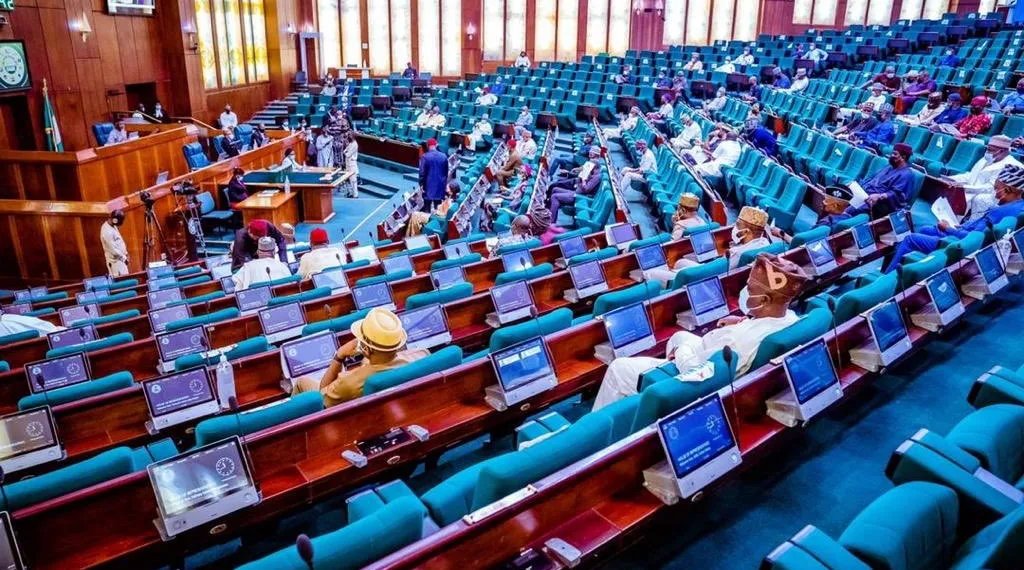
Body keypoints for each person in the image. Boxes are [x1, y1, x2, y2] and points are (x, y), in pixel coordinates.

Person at [591, 253, 807, 410]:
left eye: (749, 289)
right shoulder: (790, 317)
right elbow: (760, 328)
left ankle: (599, 440)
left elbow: (697, 372)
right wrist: (745, 319)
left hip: (700, 378)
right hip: (717, 352)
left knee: (619, 368)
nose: (745, 291)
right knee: (678, 335)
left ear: (764, 300)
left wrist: (682, 352)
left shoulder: (735, 340)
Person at [885, 166, 1024, 272]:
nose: (995, 193)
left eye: (996, 189)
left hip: (961, 244)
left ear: (1007, 191)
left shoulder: (1000, 212)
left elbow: (972, 238)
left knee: (911, 239)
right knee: (925, 229)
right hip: (966, 235)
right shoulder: (1019, 206)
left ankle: (888, 278)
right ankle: (909, 263)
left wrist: (949, 229)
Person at [293, 307, 429, 406]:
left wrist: (339, 356)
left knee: (301, 382)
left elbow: (321, 398)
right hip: (397, 408)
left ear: (367, 349)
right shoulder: (422, 355)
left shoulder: (347, 383)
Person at [818, 144, 916, 226]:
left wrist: (879, 196)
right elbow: (870, 179)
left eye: (895, 154)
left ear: (903, 157)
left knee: (845, 210)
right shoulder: (889, 167)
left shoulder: (906, 174)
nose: (891, 155)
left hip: (879, 203)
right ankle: (821, 225)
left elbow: (897, 195)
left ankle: (830, 225)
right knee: (832, 200)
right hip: (864, 194)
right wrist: (854, 186)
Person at [947, 135, 1023, 221]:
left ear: (1001, 151)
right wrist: (951, 179)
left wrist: (965, 188)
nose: (987, 152)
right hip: (973, 190)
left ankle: (970, 225)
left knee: (978, 199)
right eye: (988, 149)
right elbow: (971, 175)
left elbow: (992, 188)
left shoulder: (1011, 165)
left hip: (995, 196)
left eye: (990, 150)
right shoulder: (987, 159)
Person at [549, 146, 602, 217]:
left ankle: (551, 222)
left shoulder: (596, 177)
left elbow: (586, 189)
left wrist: (583, 180)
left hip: (578, 195)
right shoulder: (591, 171)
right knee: (555, 189)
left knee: (554, 196)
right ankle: (548, 214)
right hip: (577, 189)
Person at [419, 138, 448, 212]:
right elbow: (446, 173)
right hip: (440, 185)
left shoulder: (425, 156)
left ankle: (428, 222)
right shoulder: (444, 156)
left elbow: (422, 173)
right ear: (436, 145)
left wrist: (421, 184)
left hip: (428, 186)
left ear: (428, 146)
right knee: (438, 207)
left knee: (427, 208)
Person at [100, 209, 129, 278]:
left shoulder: (113, 226)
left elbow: (119, 241)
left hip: (121, 260)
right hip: (115, 263)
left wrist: (126, 253)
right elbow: (113, 250)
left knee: (126, 279)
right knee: (122, 282)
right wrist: (124, 258)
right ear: (115, 220)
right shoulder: (106, 231)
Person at [342, 132, 359, 197]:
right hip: (347, 163)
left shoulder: (355, 144)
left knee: (353, 179)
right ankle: (351, 193)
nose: (349, 136)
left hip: (352, 164)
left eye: (350, 135)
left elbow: (347, 154)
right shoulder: (350, 143)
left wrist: (346, 152)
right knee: (347, 179)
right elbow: (344, 151)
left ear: (353, 136)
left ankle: (355, 194)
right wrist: (346, 152)